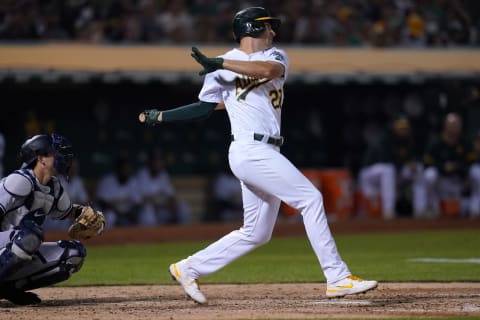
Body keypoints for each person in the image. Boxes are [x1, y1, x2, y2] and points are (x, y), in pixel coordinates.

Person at [139, 7, 377, 304]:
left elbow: (268, 72)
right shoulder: (222, 66)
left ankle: (189, 267)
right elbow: (203, 107)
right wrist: (161, 117)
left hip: (266, 148)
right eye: (268, 27)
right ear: (252, 28)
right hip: (249, 149)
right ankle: (338, 277)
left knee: (256, 233)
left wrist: (220, 62)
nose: (273, 32)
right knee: (311, 198)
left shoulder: (274, 56)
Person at [0, 134, 104, 305]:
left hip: (15, 247)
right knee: (30, 235)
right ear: (41, 159)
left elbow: (69, 211)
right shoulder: (20, 180)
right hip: (10, 242)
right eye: (55, 153)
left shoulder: (53, 187)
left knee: (73, 255)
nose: (62, 157)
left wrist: (87, 214)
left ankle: (7, 289)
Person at [358, 115, 426, 219]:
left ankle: (420, 210)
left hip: (394, 173)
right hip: (370, 174)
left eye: (405, 127)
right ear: (394, 127)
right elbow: (386, 160)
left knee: (418, 168)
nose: (403, 130)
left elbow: (415, 158)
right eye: (400, 127)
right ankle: (388, 211)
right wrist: (405, 163)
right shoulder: (385, 139)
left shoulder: (408, 140)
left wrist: (413, 164)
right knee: (388, 169)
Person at [423, 112, 469, 217]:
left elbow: (470, 162)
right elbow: (427, 163)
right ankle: (433, 208)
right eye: (451, 125)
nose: (453, 127)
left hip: (459, 180)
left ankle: (475, 209)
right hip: (440, 180)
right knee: (429, 174)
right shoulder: (436, 142)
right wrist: (443, 167)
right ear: (445, 126)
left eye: (456, 125)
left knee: (458, 211)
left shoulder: (465, 142)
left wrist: (458, 167)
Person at [135, 148, 190, 225]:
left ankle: (181, 234)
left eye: (160, 161)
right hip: (148, 211)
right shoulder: (142, 174)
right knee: (148, 211)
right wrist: (161, 202)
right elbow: (142, 199)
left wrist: (173, 204)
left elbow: (171, 195)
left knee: (183, 208)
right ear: (150, 162)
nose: (158, 163)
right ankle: (149, 236)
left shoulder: (164, 175)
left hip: (162, 210)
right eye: (155, 161)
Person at [95, 154, 140, 227]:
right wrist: (118, 213)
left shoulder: (133, 182)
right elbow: (101, 202)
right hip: (109, 214)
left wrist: (130, 213)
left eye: (128, 169)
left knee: (139, 215)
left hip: (126, 214)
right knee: (110, 216)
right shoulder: (107, 181)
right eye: (124, 169)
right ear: (118, 169)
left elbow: (137, 203)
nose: (126, 171)